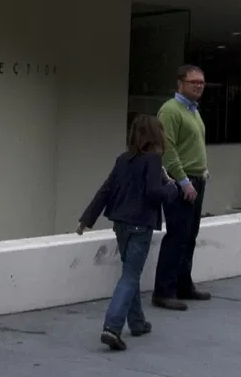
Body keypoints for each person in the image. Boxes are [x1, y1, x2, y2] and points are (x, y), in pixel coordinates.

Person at [77, 114, 178, 351]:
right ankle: (112, 327)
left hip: (120, 224)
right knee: (130, 276)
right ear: (156, 135)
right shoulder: (153, 160)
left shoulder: (123, 159)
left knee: (129, 273)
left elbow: (106, 190)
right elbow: (154, 193)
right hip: (140, 225)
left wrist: (86, 220)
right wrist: (171, 189)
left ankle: (137, 322)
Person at [153, 65, 210, 311]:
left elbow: (192, 146)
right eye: (193, 81)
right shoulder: (170, 110)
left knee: (189, 236)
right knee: (177, 236)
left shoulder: (192, 111)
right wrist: (184, 181)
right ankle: (163, 292)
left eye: (202, 82)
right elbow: (167, 150)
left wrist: (202, 172)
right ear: (180, 83)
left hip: (197, 179)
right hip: (180, 182)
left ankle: (183, 285)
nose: (199, 86)